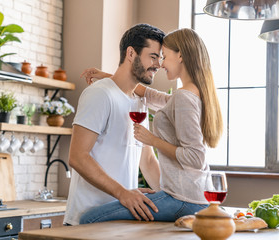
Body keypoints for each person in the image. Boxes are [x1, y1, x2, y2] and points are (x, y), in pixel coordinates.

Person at [79, 28, 223, 224]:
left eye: (164, 56)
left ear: (180, 55)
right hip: (193, 197)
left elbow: (196, 157)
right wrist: (109, 77)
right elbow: (153, 97)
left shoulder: (184, 97)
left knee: (89, 218)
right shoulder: (193, 94)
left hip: (183, 199)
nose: (161, 64)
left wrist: (152, 140)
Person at [63, 23, 165, 226]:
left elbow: (147, 160)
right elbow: (77, 157)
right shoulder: (100, 94)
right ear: (130, 53)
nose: (158, 65)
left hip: (120, 220)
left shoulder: (139, 102)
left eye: (160, 58)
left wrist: (172, 197)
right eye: (153, 56)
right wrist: (123, 193)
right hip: (86, 223)